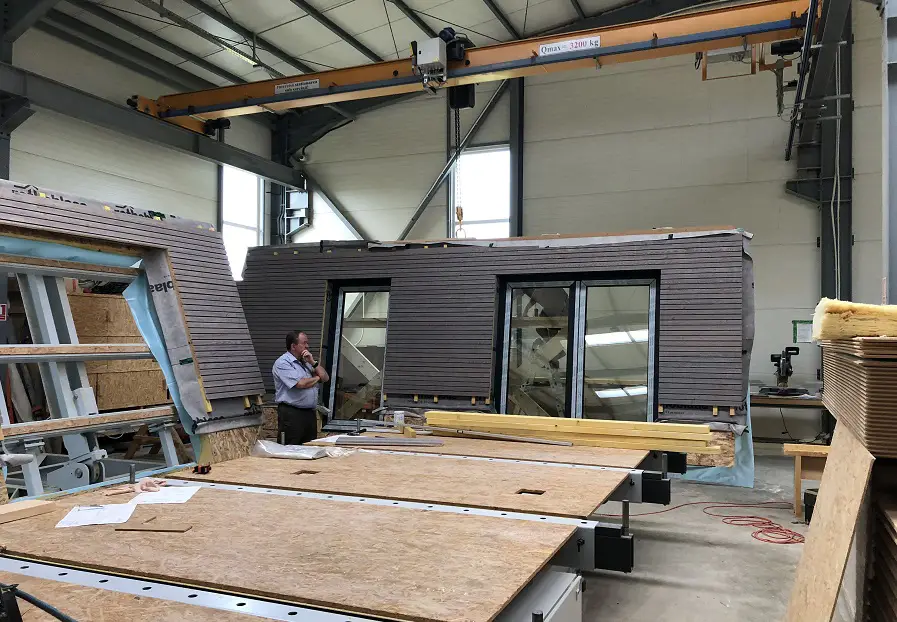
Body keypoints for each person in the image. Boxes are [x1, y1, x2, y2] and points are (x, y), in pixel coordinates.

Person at [272, 331, 330, 444]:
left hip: (309, 413)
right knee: (291, 446)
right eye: (304, 343)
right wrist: (318, 378)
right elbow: (300, 384)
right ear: (293, 346)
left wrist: (313, 362)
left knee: (309, 446)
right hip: (292, 413)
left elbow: (326, 377)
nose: (307, 346)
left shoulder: (306, 362)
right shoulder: (283, 363)